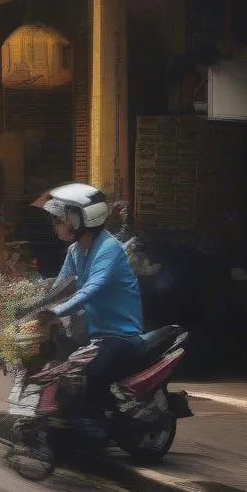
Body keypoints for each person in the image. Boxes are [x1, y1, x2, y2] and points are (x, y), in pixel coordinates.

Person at [35, 182, 145, 432]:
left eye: (59, 220)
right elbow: (61, 287)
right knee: (62, 369)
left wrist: (56, 312)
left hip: (121, 335)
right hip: (93, 334)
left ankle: (102, 428)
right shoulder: (76, 250)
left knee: (90, 374)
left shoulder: (109, 249)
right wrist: (33, 305)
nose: (55, 226)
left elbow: (90, 289)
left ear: (80, 219)